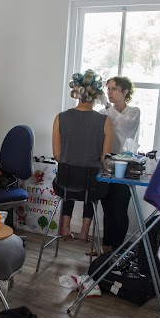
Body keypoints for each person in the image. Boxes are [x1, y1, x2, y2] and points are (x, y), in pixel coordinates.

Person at [52, 69, 113, 251]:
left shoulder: (60, 118)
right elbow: (105, 158)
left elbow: (57, 155)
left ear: (77, 93)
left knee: (70, 180)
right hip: (92, 188)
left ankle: (65, 227)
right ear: (97, 95)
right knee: (91, 182)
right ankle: (85, 232)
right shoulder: (104, 121)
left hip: (64, 185)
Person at [98, 76, 141, 253]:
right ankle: (106, 249)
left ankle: (118, 249)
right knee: (107, 207)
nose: (109, 92)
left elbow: (124, 125)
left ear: (125, 91)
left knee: (119, 208)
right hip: (107, 162)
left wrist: (108, 107)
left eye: (114, 88)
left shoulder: (134, 112)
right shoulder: (103, 112)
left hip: (126, 165)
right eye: (108, 88)